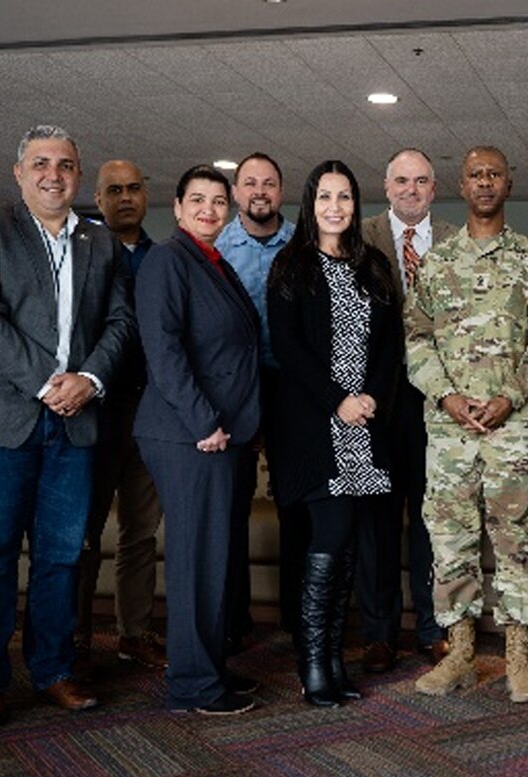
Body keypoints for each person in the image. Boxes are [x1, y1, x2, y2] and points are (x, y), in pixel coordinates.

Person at [0, 125, 134, 726]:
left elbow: (121, 323)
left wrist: (91, 380)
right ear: (20, 172)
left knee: (61, 555)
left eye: (67, 164)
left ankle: (53, 670)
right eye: (42, 163)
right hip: (1, 420)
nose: (55, 174)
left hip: (76, 422)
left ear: (80, 175)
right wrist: (51, 383)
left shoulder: (101, 242)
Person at [406, 146, 528, 703]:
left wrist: (511, 394)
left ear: (507, 183)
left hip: (513, 429)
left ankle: (520, 658)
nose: (485, 183)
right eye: (475, 174)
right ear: (463, 183)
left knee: (518, 540)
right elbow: (416, 338)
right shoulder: (436, 262)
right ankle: (461, 654)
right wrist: (445, 394)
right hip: (449, 431)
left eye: (494, 174)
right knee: (451, 541)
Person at [267, 160, 400, 708]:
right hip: (314, 428)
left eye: (345, 197)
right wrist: (338, 401)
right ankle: (312, 663)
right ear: (310, 202)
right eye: (325, 197)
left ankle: (335, 660)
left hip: (363, 427)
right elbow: (288, 349)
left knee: (345, 547)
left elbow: (389, 344)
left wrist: (367, 398)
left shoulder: (373, 265)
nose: (335, 207)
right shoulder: (291, 264)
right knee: (327, 539)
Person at [134, 165, 261, 715]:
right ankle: (192, 685)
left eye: (217, 201)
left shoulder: (213, 263)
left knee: (214, 559)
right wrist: (203, 421)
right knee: (195, 562)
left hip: (220, 435)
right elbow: (163, 351)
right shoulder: (167, 260)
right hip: (189, 435)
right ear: (178, 207)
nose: (209, 209)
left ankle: (208, 669)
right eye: (198, 200)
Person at [360, 148, 457, 672]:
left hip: (434, 405)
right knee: (376, 522)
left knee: (430, 520)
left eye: (421, 181)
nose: (411, 190)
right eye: (402, 180)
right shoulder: (361, 236)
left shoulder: (454, 239)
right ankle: (378, 633)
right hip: (374, 403)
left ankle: (430, 627)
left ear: (433, 187)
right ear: (387, 184)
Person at [76, 160, 166, 676]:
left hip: (148, 413)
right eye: (115, 190)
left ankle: (135, 634)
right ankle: (77, 637)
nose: (126, 197)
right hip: (95, 414)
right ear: (99, 196)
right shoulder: (83, 254)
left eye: (134, 188)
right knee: (84, 533)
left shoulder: (162, 258)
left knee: (140, 532)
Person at [215, 152, 305, 652]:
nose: (260, 191)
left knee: (295, 506)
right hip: (237, 391)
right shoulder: (217, 247)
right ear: (236, 191)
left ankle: (298, 620)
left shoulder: (305, 245)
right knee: (231, 505)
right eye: (250, 183)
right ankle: (233, 621)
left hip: (293, 390)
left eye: (269, 183)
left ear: (281, 189)